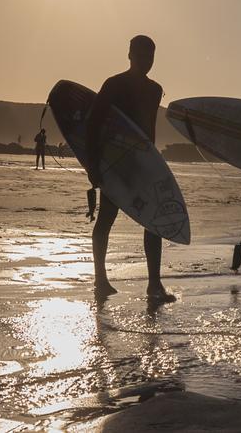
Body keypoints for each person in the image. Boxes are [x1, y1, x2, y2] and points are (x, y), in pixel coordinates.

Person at [87, 35, 175, 303]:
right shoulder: (114, 85)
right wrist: (93, 165)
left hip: (143, 165)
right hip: (116, 164)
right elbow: (93, 124)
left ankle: (154, 285)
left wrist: (154, 163)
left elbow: (149, 130)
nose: (146, 61)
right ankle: (100, 280)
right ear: (130, 55)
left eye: (150, 57)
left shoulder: (154, 89)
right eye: (141, 56)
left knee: (154, 222)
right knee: (106, 218)